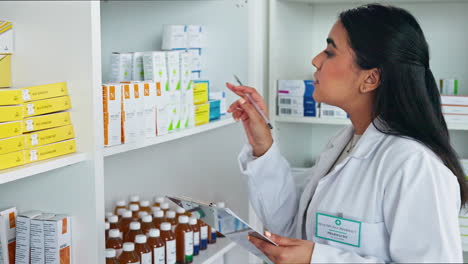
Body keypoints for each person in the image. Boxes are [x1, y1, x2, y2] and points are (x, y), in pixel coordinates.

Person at [226, 3, 467, 263]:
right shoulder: (344, 143)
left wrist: (317, 259)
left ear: (371, 79)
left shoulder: (415, 165)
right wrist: (263, 145)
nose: (316, 60)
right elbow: (290, 227)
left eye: (330, 52)